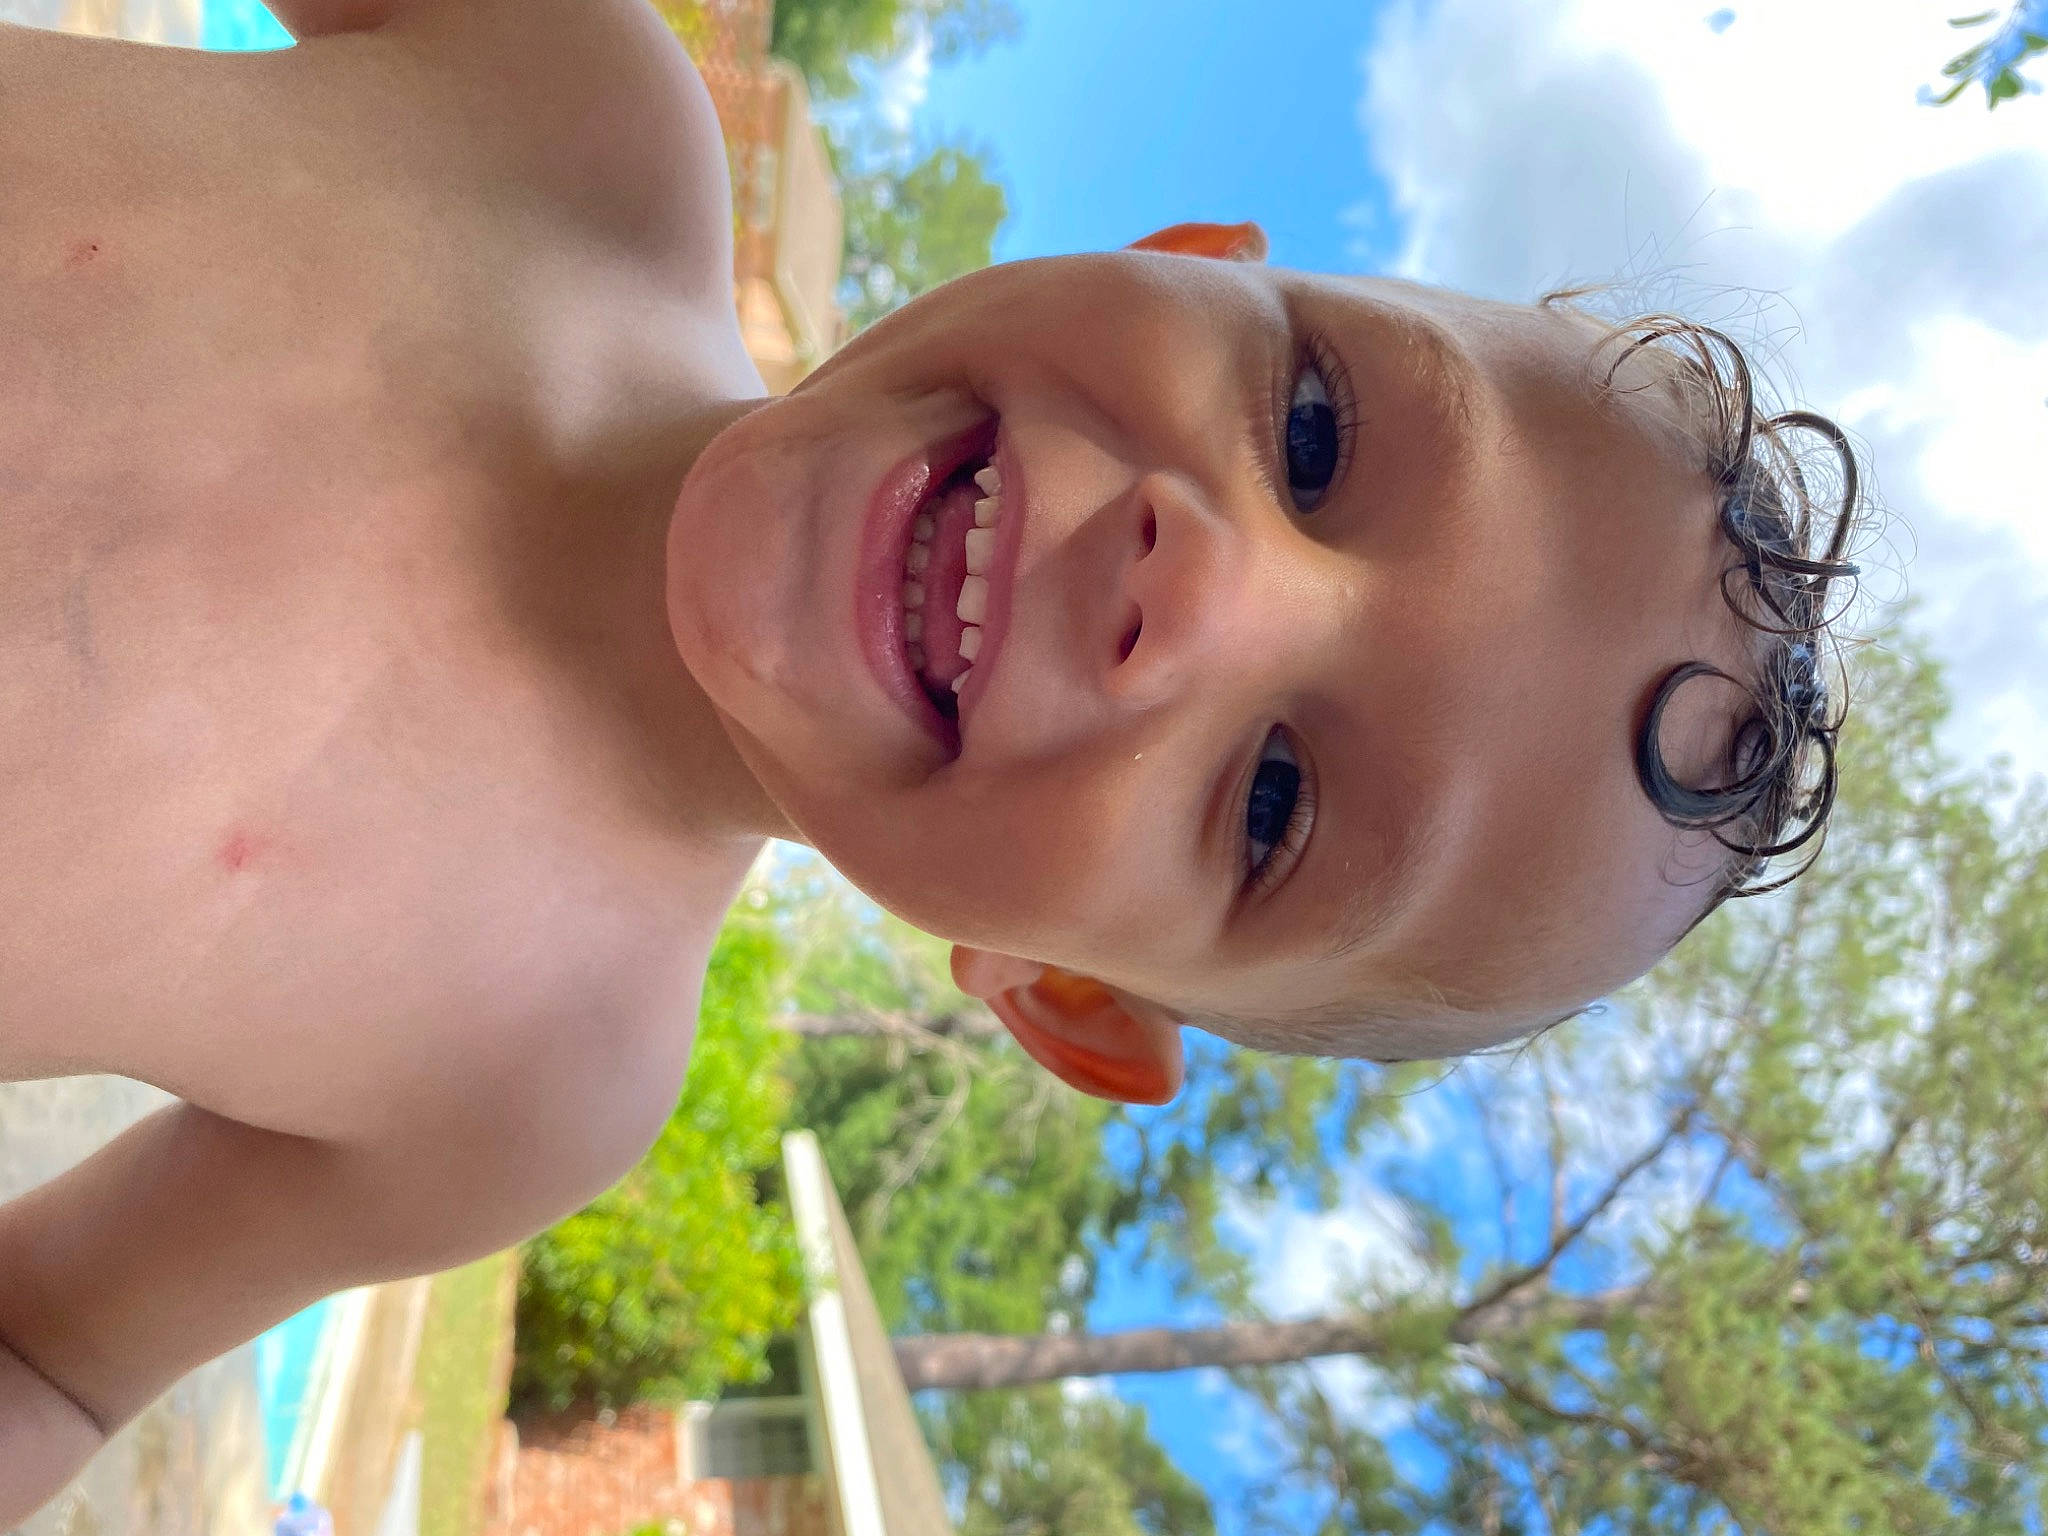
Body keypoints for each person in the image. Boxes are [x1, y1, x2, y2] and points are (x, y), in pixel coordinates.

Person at [0, 0, 1866, 1517]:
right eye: (1312, 428)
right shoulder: (563, 111)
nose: (1202, 588)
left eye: (1279, 804)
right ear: (1185, 256)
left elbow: (49, 1355)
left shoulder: (525, 1077)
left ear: (1065, 1000)